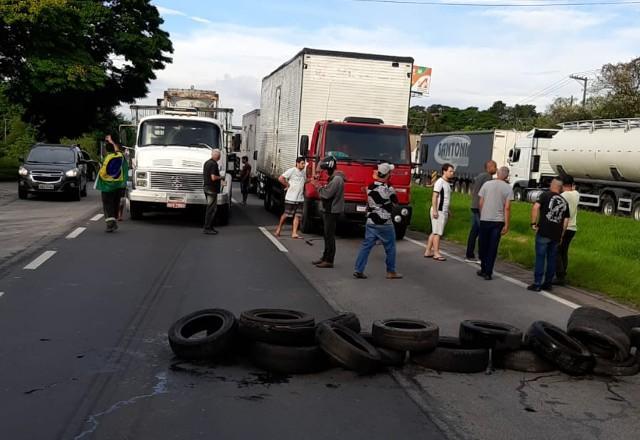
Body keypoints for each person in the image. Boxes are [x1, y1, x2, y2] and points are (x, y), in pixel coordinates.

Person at [353, 163, 403, 280]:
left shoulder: (370, 187)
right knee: (390, 247)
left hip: (371, 220)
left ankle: (358, 269)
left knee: (366, 246)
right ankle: (391, 271)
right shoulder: (389, 189)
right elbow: (396, 203)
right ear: (387, 175)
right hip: (385, 222)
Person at [528, 178, 570, 292]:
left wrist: (533, 223)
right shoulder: (564, 201)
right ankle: (548, 283)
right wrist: (561, 234)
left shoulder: (545, 195)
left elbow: (535, 207)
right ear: (560, 188)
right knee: (551, 259)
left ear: (552, 185)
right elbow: (566, 220)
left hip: (544, 231)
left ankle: (537, 283)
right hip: (556, 234)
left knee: (540, 257)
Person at [477, 166, 513, 280]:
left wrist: (483, 213)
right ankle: (488, 272)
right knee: (493, 246)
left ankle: (483, 267)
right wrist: (507, 224)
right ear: (507, 176)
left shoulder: (487, 184)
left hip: (485, 219)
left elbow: (481, 202)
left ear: (497, 173)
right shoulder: (508, 188)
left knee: (483, 244)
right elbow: (507, 208)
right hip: (498, 221)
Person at [312, 156, 344, 268]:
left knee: (329, 236)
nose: (325, 172)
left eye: (326, 170)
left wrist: (317, 185)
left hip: (332, 210)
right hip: (329, 209)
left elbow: (326, 194)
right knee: (326, 235)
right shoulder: (335, 178)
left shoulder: (336, 179)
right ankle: (325, 257)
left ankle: (329, 260)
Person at [465, 160, 497, 263]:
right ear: (489, 167)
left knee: (474, 231)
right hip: (480, 207)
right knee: (482, 232)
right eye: (494, 167)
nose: (496, 169)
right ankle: (481, 256)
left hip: (474, 205)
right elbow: (487, 193)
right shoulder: (488, 177)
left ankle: (469, 254)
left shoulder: (480, 176)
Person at [96, 135, 128, 233]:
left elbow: (102, 172)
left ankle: (110, 225)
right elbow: (117, 150)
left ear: (106, 150)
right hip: (118, 185)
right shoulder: (120, 156)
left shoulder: (107, 158)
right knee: (115, 204)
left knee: (107, 205)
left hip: (107, 186)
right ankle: (113, 223)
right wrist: (112, 141)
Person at [424, 163, 454, 261]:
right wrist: (435, 210)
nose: (452, 173)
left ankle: (428, 251)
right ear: (444, 171)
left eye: (452, 171)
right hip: (439, 211)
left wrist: (448, 210)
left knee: (434, 231)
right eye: (450, 171)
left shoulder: (447, 183)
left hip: (443, 210)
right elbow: (435, 196)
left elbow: (445, 199)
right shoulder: (440, 182)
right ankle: (436, 253)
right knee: (437, 233)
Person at [554, 176, 579, 285]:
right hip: (573, 227)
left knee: (556, 250)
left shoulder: (562, 196)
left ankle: (560, 275)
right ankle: (563, 273)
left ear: (562, 185)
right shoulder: (576, 194)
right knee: (564, 251)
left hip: (563, 227)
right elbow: (574, 189)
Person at [275, 157, 306, 238]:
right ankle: (278, 229)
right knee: (286, 214)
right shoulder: (292, 170)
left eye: (304, 163)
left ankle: (294, 233)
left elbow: (305, 181)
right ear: (297, 163)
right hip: (291, 197)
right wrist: (287, 185)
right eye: (302, 163)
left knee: (297, 215)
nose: (304, 165)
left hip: (300, 198)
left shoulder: (303, 172)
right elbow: (281, 178)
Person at [203, 149, 223, 235]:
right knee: (212, 209)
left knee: (210, 208)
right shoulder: (214, 164)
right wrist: (221, 177)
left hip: (207, 187)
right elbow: (213, 177)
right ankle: (208, 227)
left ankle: (209, 227)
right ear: (217, 156)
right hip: (212, 189)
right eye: (219, 156)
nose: (220, 157)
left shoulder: (207, 162)